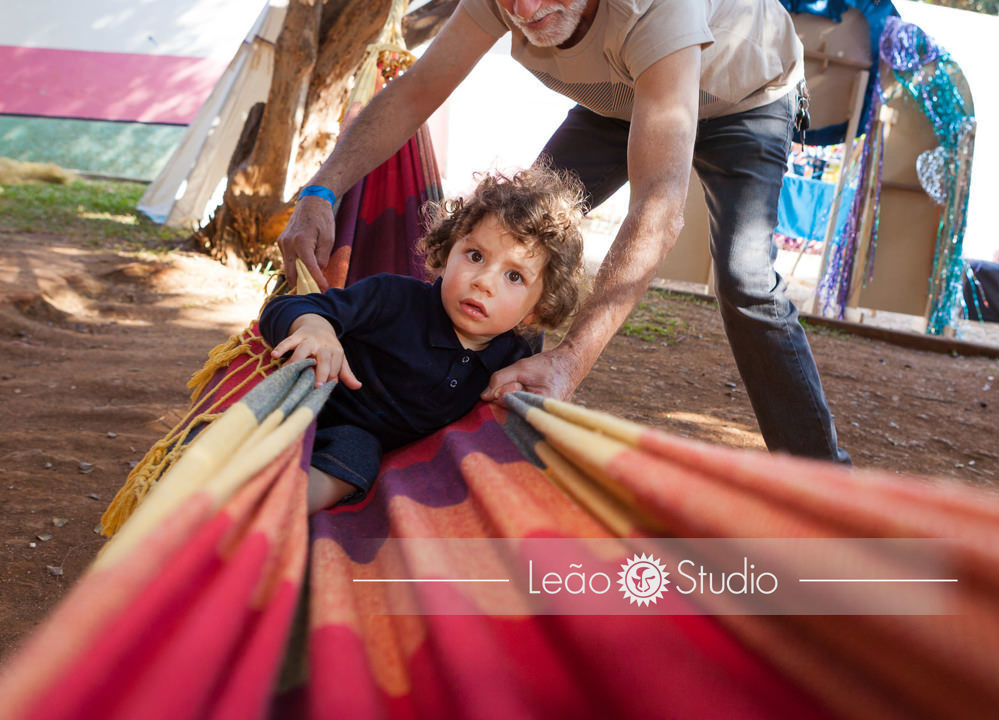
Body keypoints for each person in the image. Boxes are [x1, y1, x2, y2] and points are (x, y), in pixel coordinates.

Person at [278, 0, 848, 463]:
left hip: (743, 100)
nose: (525, 10)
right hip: (618, 101)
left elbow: (659, 205)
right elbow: (416, 90)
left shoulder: (659, 8)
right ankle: (477, 410)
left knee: (745, 278)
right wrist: (321, 191)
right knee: (515, 236)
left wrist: (571, 359)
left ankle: (824, 479)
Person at [261, 167, 585, 511]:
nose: (484, 282)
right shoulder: (392, 297)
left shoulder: (515, 358)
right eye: (475, 256)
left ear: (537, 309)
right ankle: (267, 511)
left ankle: (279, 509)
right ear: (447, 253)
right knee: (355, 452)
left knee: (359, 454)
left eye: (514, 276)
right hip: (309, 411)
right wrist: (316, 328)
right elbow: (285, 307)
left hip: (397, 459)